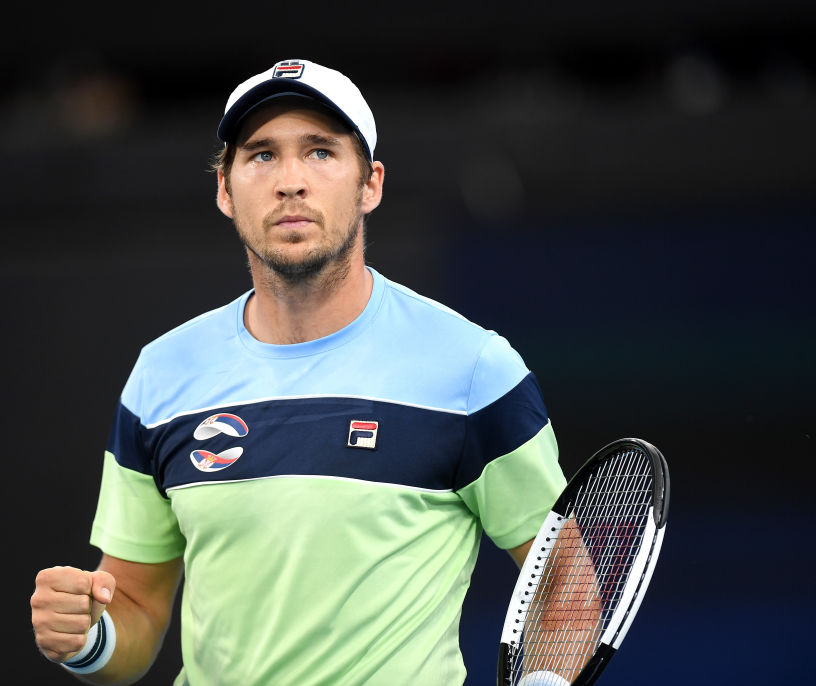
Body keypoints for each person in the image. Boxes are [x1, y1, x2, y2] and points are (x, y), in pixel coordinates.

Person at [30, 58, 568, 686]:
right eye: (262, 155)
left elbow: (569, 585)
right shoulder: (162, 373)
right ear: (225, 190)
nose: (291, 181)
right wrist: (89, 636)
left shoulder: (474, 368)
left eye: (320, 152)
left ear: (370, 184)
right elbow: (136, 607)